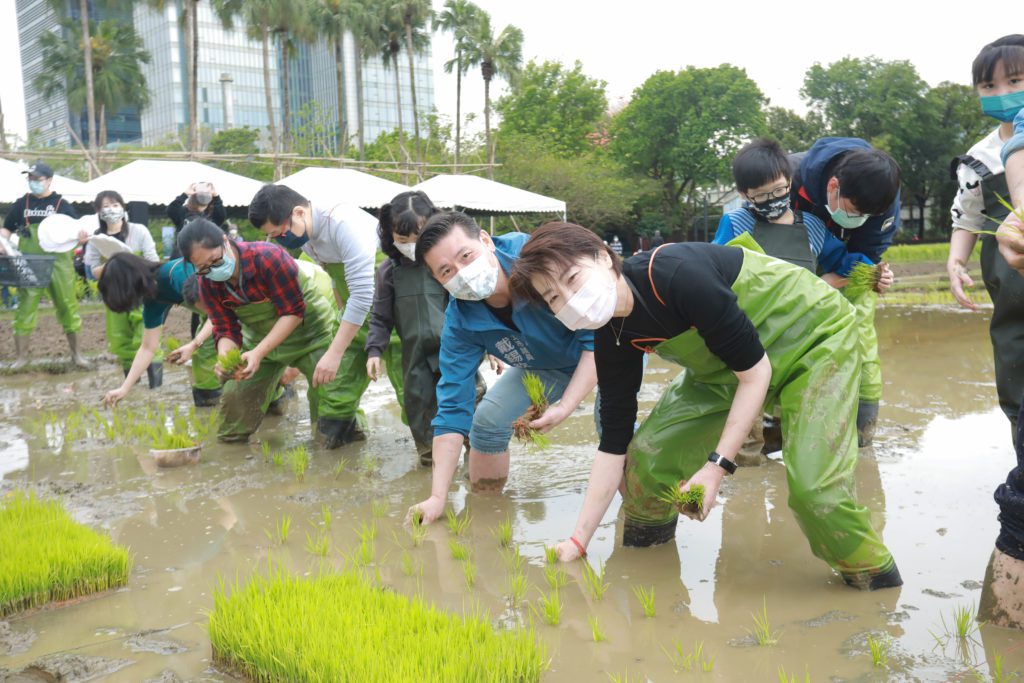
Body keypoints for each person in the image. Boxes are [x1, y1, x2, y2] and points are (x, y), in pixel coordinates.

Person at [509, 222, 901, 590]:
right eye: (555, 297)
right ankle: (647, 565)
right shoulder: (611, 336)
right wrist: (578, 540)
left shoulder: (677, 275)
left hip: (813, 341)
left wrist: (716, 467)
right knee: (647, 459)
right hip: (724, 368)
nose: (571, 299)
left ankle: (874, 580)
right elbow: (612, 446)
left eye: (573, 279)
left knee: (816, 490)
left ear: (602, 256)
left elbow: (756, 375)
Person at [406, 212, 598, 525]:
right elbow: (453, 406)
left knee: (613, 427)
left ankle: (640, 524)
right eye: (446, 271)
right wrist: (437, 497)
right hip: (545, 364)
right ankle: (488, 516)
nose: (462, 273)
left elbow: (597, 336)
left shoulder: (536, 259)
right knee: (487, 424)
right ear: (439, 281)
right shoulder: (460, 322)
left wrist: (565, 406)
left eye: (466, 256)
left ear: (485, 240)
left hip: (609, 348)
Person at [716, 138, 894, 450]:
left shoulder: (812, 225)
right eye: (762, 195)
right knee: (746, 415)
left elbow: (843, 261)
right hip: (750, 333)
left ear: (790, 184)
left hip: (799, 333)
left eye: (778, 191)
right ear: (745, 194)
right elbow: (714, 269)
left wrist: (873, 271)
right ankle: (746, 465)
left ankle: (788, 448)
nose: (772, 200)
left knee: (798, 397)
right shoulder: (735, 223)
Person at [178, 218, 355, 447]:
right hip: (259, 338)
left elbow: (292, 312)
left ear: (225, 241)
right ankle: (233, 451)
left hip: (310, 333)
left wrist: (258, 353)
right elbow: (225, 328)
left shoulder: (268, 258)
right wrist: (226, 359)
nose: (212, 270)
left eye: (215, 260)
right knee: (236, 395)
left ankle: (336, 447)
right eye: (203, 267)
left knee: (332, 399)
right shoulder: (208, 282)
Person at [249, 183, 388, 446]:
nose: (280, 241)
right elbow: (338, 284)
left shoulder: (343, 224)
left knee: (413, 392)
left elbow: (363, 294)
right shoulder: (308, 239)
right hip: (354, 317)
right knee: (334, 392)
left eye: (280, 233)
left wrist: (334, 353)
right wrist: (340, 329)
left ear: (299, 212)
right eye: (273, 237)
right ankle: (341, 454)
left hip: (391, 312)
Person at [788, 139, 901, 446]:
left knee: (859, 331)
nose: (858, 219)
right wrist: (812, 284)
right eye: (853, 211)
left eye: (867, 215)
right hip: (798, 264)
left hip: (848, 261)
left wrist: (873, 274)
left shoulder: (882, 197)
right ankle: (785, 421)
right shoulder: (791, 176)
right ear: (833, 186)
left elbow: (869, 252)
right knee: (796, 335)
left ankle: (863, 424)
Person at [365, 191, 487, 466]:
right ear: (390, 236)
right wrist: (374, 350)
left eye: (416, 239)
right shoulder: (388, 272)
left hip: (455, 347)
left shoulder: (445, 265)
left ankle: (476, 454)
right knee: (419, 405)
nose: (410, 246)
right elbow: (381, 317)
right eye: (402, 240)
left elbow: (473, 303)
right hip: (415, 353)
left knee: (469, 397)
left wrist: (490, 345)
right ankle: (431, 461)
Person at [948, 35, 1024, 436]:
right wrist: (956, 262)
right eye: (989, 86)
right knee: (1014, 370)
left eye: (1014, 81)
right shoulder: (979, 158)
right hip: (1010, 287)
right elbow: (968, 216)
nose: (1003, 93)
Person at [97, 253, 222, 408]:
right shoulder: (153, 298)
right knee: (204, 367)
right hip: (211, 317)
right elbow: (148, 347)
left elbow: (220, 311)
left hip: (235, 306)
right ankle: (210, 411)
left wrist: (194, 344)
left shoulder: (175, 275)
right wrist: (124, 388)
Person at [0, 160, 89, 370]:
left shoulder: (62, 205)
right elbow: (6, 230)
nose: (33, 182)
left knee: (68, 305)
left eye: (37, 179)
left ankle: (77, 356)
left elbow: (77, 232)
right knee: (26, 305)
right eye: (30, 178)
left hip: (60, 263)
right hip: (30, 260)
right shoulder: (21, 204)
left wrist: (82, 237)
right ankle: (21, 359)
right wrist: (2, 242)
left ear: (49, 180)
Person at [83, 190, 164, 388]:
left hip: (141, 292)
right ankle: (130, 387)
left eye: (115, 205)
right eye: (105, 206)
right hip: (115, 295)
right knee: (121, 338)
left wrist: (128, 263)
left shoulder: (139, 231)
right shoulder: (96, 239)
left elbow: (153, 260)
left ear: (123, 207)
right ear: (98, 212)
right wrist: (113, 265)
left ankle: (156, 388)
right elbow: (92, 270)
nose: (111, 210)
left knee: (143, 335)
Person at [167, 182, 227, 258]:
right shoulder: (183, 213)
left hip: (203, 259)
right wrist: (185, 194)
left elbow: (220, 217)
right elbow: (171, 210)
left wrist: (216, 196)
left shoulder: (209, 217)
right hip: (182, 258)